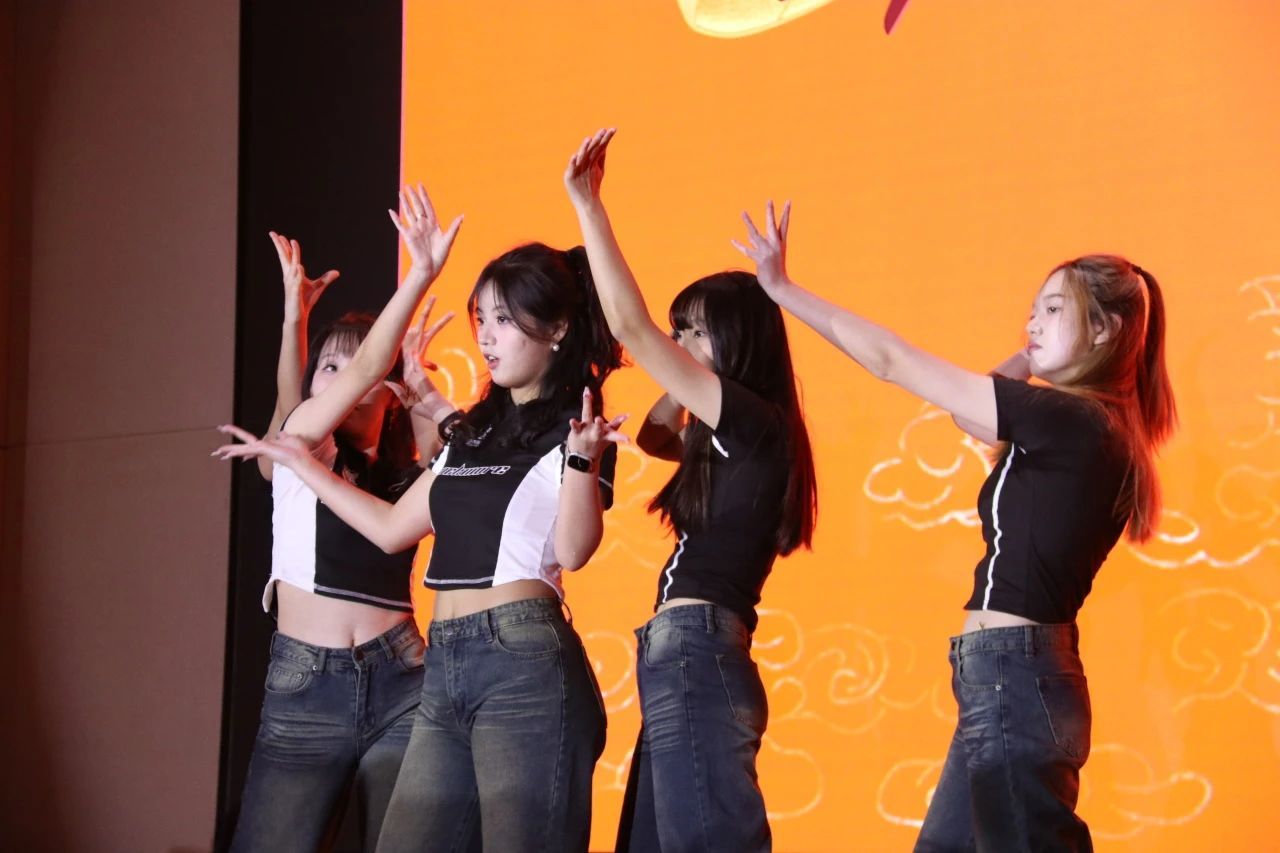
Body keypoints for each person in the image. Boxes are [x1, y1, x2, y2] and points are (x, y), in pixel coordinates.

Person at [732, 200, 1176, 851]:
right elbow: (971, 416)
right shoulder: (1083, 424)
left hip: (1015, 676)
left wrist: (783, 290)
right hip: (1005, 677)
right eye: (1033, 308)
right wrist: (1035, 351)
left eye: (1054, 308)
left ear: (1105, 330)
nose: (1032, 320)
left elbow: (890, 360)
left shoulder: (1072, 420)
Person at [216, 233, 626, 852]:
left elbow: (573, 552)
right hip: (444, 665)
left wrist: (583, 460)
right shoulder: (476, 431)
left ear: (557, 329)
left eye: (504, 320)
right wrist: (301, 464)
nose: (485, 337)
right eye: (481, 319)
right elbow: (391, 529)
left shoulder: (577, 428)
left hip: (521, 660)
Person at [565, 129, 818, 853]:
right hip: (684, 652)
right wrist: (686, 361)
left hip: (697, 650)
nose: (676, 345)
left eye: (694, 332)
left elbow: (629, 326)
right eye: (678, 332)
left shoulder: (754, 422)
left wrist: (589, 205)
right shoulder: (735, 433)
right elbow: (653, 435)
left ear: (739, 342)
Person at [227, 184, 462, 852]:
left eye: (359, 367)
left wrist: (418, 388)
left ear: (389, 392)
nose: (343, 376)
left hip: (405, 679)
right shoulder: (301, 449)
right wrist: (417, 275)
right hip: (307, 685)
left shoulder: (400, 474)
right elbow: (351, 374)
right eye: (326, 366)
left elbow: (456, 468)